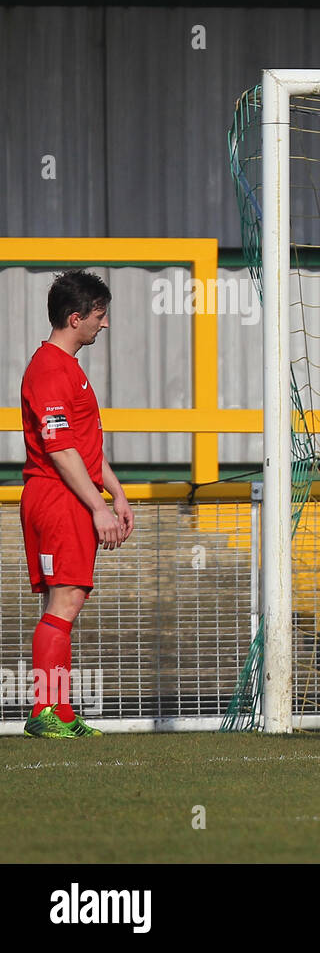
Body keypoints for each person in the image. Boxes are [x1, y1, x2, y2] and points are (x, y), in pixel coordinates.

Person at [20, 270, 134, 738]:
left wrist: (118, 492)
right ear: (75, 317)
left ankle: (60, 712)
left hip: (71, 494)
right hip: (58, 497)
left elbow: (85, 447)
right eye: (99, 316)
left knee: (68, 598)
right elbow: (61, 451)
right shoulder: (48, 370)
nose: (104, 325)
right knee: (64, 600)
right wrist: (97, 507)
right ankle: (46, 711)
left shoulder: (69, 368)